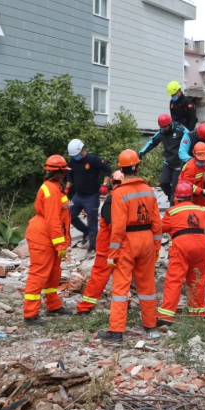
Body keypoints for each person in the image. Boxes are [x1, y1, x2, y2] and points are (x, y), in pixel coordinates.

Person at [97, 150, 162, 342]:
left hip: (127, 241)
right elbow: (157, 222)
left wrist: (112, 253)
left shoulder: (119, 193)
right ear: (138, 167)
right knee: (147, 285)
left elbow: (118, 227)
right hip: (147, 240)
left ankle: (116, 331)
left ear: (121, 170)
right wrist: (156, 246)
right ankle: (150, 324)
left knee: (121, 287)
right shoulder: (149, 191)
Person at [156, 182, 205, 325]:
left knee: (174, 280)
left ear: (176, 197)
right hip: (201, 245)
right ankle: (197, 314)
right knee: (197, 280)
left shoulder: (172, 212)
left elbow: (160, 228)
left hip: (182, 245)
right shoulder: (201, 209)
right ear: (191, 197)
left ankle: (165, 317)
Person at [23, 155, 73, 325]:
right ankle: (30, 314)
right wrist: (60, 243)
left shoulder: (54, 188)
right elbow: (53, 220)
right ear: (57, 173)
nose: (65, 175)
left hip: (49, 237)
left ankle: (53, 306)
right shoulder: (51, 191)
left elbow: (61, 218)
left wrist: (62, 241)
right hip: (43, 238)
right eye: (63, 172)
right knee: (38, 275)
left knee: (53, 274)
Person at [75, 170, 124, 315]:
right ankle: (123, 303)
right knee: (122, 275)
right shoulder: (121, 199)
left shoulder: (112, 200)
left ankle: (85, 306)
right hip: (118, 245)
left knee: (101, 275)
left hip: (109, 246)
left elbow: (113, 227)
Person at [65, 139, 111, 253]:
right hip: (78, 195)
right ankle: (86, 231)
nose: (75, 157)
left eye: (76, 154)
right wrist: (67, 188)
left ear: (82, 150)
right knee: (69, 216)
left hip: (91, 196)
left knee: (92, 221)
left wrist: (104, 185)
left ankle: (93, 247)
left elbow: (108, 170)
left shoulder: (93, 160)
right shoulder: (72, 161)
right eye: (73, 156)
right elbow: (70, 177)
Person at [138, 113, 189, 205]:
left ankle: (173, 205)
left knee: (175, 188)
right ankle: (172, 198)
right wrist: (141, 153)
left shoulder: (180, 129)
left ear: (170, 124)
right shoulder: (161, 132)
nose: (163, 129)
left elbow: (191, 138)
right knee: (163, 183)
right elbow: (152, 142)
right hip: (168, 162)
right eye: (161, 127)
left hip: (179, 163)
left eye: (165, 127)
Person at [177, 142, 205, 209]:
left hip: (196, 195)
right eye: (201, 160)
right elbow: (188, 186)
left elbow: (202, 180)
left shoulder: (204, 165)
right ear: (194, 154)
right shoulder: (190, 167)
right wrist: (202, 191)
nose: (202, 161)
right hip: (185, 197)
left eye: (204, 159)